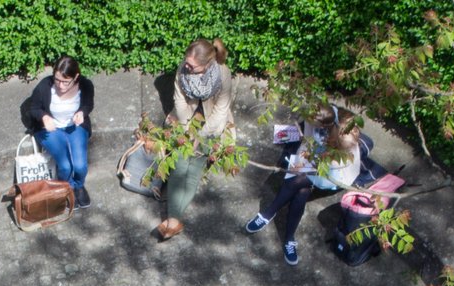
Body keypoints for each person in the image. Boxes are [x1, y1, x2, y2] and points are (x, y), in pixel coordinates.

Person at [244, 105, 365, 265]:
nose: (309, 125)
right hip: (314, 159)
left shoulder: (345, 142)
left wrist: (307, 162)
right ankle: (289, 239)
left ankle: (269, 212)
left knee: (297, 181)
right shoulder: (320, 116)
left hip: (333, 174)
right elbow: (307, 144)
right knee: (301, 192)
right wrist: (304, 153)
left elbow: (329, 169)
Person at [156, 39, 235, 240]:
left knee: (194, 169)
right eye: (187, 63)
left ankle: (172, 221)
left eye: (193, 66)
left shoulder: (222, 74)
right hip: (187, 122)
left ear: (207, 64)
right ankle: (174, 221)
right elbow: (180, 101)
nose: (187, 67)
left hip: (211, 126)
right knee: (180, 165)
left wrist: (201, 135)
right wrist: (188, 131)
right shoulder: (183, 69)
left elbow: (220, 112)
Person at [22, 56, 97, 208]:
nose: (61, 86)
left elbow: (89, 104)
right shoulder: (45, 86)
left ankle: (78, 185)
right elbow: (34, 108)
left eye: (65, 81)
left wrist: (82, 112)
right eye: (57, 80)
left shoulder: (86, 85)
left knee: (80, 165)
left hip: (74, 126)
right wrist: (44, 117)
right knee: (65, 166)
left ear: (76, 77)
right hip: (51, 127)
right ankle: (66, 187)